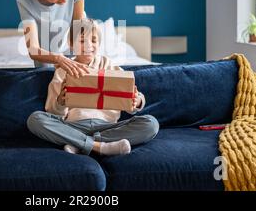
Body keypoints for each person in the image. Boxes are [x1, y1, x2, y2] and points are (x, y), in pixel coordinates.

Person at [27, 19, 159, 156]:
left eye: (94, 40)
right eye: (82, 41)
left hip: (107, 127)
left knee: (151, 124)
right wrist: (60, 103)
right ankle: (101, 146)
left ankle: (80, 144)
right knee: (35, 119)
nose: (89, 45)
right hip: (74, 126)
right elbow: (53, 112)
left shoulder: (110, 66)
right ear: (71, 44)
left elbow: (131, 95)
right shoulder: (62, 71)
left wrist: (137, 101)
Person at [16, 0, 89, 78]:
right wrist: (58, 58)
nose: (65, 0)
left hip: (73, 41)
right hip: (46, 53)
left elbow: (78, 22)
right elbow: (33, 49)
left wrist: (83, 50)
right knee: (48, 87)